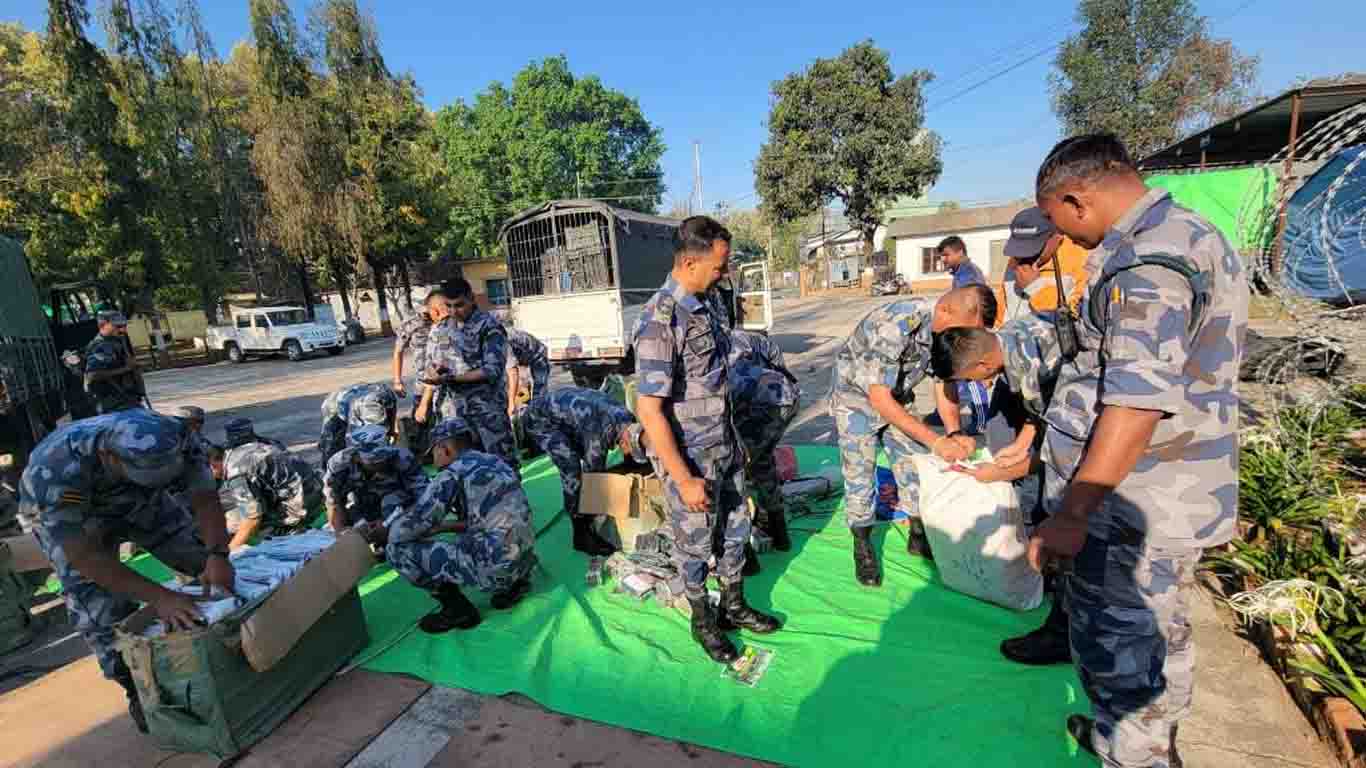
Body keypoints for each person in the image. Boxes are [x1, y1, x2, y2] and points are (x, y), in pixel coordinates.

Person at [1025, 134, 1247, 768]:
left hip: (1134, 501)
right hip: (1164, 491)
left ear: (1076, 198)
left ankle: (1132, 750)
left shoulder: (1147, 264)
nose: (1060, 234)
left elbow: (1134, 404)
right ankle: (1132, 739)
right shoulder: (1189, 233)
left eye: (1055, 219)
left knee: (1124, 649)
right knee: (1159, 635)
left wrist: (1073, 513)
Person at [18, 409, 234, 733]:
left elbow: (204, 498)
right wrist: (161, 597)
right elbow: (83, 556)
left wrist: (218, 554)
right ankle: (139, 688)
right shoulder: (54, 469)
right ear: (110, 457)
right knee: (101, 610)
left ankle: (228, 644)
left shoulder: (177, 438)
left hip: (143, 503)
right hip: (78, 520)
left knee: (200, 559)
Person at [633, 215, 780, 665]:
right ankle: (703, 620)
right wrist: (683, 479)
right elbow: (650, 411)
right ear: (690, 262)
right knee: (695, 546)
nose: (725, 272)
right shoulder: (659, 320)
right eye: (719, 265)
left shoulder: (708, 302)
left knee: (736, 531)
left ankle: (732, 604)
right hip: (692, 462)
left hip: (726, 446)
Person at [831, 285, 998, 587]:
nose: (970, 342)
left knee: (912, 468)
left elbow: (943, 384)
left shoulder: (948, 333)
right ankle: (863, 545)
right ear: (947, 311)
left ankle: (918, 536)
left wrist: (954, 431)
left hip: (898, 396)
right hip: (856, 401)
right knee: (860, 475)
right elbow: (879, 399)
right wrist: (935, 441)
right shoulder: (895, 325)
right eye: (968, 332)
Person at [385, 418, 537, 633]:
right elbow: (484, 518)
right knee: (482, 535)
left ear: (444, 449)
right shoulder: (495, 461)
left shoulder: (452, 473)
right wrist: (445, 527)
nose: (433, 458)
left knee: (397, 549)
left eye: (434, 451)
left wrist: (385, 531)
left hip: (498, 569)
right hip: (524, 559)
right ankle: (513, 586)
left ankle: (457, 610)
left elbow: (410, 527)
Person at [521, 386, 645, 557]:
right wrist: (596, 509)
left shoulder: (629, 420)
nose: (629, 454)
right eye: (630, 451)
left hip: (568, 416)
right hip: (539, 421)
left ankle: (585, 522)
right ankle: (581, 534)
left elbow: (630, 450)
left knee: (582, 458)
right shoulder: (599, 434)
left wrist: (632, 466)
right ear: (623, 442)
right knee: (571, 468)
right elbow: (592, 479)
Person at [420, 278, 516, 468]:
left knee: (503, 466)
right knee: (461, 468)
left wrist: (452, 378)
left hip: (486, 410)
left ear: (472, 299)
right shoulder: (441, 328)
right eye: (449, 306)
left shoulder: (489, 327)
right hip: (453, 412)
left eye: (459, 305)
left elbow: (492, 370)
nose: (454, 311)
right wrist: (434, 375)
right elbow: (431, 364)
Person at [729, 329, 799, 553]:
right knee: (762, 461)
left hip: (759, 405)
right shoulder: (751, 338)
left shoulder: (710, 349)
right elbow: (781, 370)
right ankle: (780, 534)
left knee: (733, 471)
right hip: (787, 398)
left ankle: (745, 555)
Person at [210, 441, 323, 551]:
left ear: (212, 465)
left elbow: (253, 519)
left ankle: (288, 529)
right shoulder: (241, 450)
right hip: (314, 488)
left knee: (232, 522)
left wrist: (230, 550)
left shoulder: (235, 473)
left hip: (302, 504)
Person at [936, 236, 993, 438]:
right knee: (960, 376)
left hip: (969, 331)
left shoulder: (967, 274)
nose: (944, 259)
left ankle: (981, 421)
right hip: (964, 330)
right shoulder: (961, 272)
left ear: (960, 252)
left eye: (946, 254)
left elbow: (970, 306)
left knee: (972, 378)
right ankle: (944, 411)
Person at [323, 425, 428, 532]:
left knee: (390, 503)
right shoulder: (339, 465)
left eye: (384, 457)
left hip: (398, 508)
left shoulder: (402, 458)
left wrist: (387, 524)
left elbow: (425, 497)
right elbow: (333, 502)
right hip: (365, 507)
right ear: (358, 458)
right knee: (350, 530)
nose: (383, 462)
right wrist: (342, 532)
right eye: (375, 461)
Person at [1003, 207, 1090, 315]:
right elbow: (1000, 318)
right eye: (1020, 248)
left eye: (1031, 249)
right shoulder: (1014, 261)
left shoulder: (1082, 263)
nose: (1023, 257)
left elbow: (1074, 320)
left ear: (1057, 237)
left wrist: (1035, 288)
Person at [318, 383, 399, 465]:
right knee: (331, 444)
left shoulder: (386, 394)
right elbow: (369, 441)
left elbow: (392, 407)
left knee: (376, 442)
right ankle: (331, 470)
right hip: (337, 402)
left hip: (350, 397)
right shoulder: (369, 407)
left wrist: (391, 430)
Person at [83, 311, 145, 414]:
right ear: (103, 325)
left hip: (128, 399)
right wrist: (126, 368)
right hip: (115, 403)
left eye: (124, 325)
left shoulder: (117, 340)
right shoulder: (99, 346)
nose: (123, 329)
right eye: (118, 326)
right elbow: (93, 375)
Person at [392, 290, 442, 401]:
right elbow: (398, 351)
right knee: (420, 414)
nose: (425, 314)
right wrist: (397, 381)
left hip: (445, 381)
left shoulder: (444, 319)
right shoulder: (411, 323)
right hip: (422, 383)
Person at [504, 326, 550, 412]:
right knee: (519, 388)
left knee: (539, 393)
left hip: (538, 354)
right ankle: (522, 408)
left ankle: (539, 417)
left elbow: (513, 373)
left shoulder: (502, 340)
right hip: (521, 356)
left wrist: (511, 404)